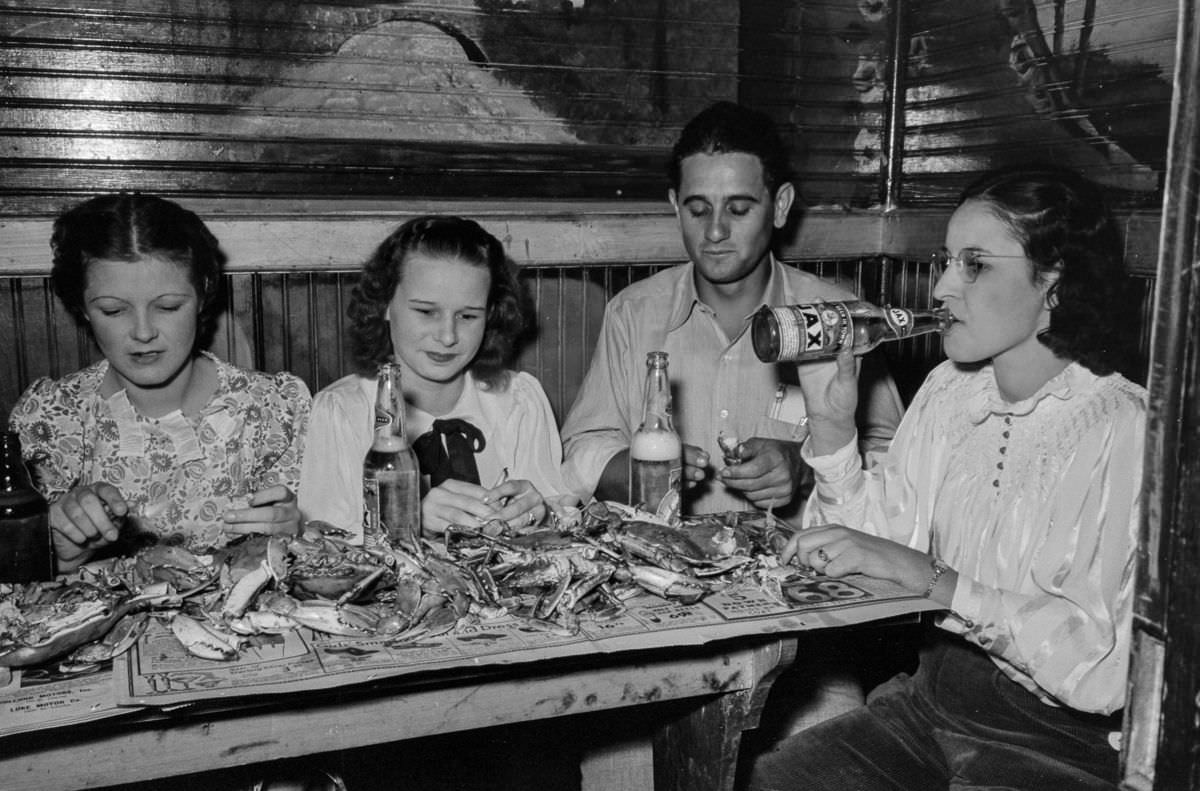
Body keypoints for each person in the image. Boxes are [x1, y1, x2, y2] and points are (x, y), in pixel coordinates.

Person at [746, 164, 1144, 791]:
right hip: (930, 703)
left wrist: (936, 581)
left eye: (975, 264)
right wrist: (831, 428)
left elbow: (1102, 665)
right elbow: (871, 555)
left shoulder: (1123, 426)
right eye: (946, 260)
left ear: (1054, 285)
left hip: (1063, 742)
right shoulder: (950, 392)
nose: (940, 288)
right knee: (776, 779)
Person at [560, 100, 904, 520]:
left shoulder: (838, 317)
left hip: (803, 572)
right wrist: (633, 473)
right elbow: (582, 448)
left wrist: (806, 465)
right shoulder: (632, 314)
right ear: (675, 205)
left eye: (738, 210)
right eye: (698, 210)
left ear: (780, 207)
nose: (716, 231)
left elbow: (895, 462)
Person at [8, 193, 311, 573]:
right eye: (113, 310)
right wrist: (58, 553)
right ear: (82, 308)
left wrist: (297, 531)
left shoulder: (274, 408)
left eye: (168, 307)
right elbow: (21, 577)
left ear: (202, 294)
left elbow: (326, 544)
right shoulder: (50, 417)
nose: (143, 332)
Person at [299, 215, 573, 540]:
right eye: (426, 312)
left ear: (492, 315)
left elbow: (562, 516)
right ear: (384, 304)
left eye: (468, 316)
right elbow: (321, 545)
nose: (447, 336)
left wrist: (540, 513)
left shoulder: (520, 400)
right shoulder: (341, 411)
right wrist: (407, 524)